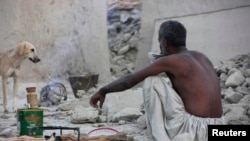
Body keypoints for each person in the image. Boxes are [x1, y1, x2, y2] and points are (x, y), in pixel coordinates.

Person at [89, 20, 225, 141]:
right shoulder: (202, 57)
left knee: (152, 81)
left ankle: (160, 137)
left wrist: (103, 90)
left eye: (160, 42)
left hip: (195, 130)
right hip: (220, 127)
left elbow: (130, 80)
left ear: (164, 43)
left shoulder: (170, 61)